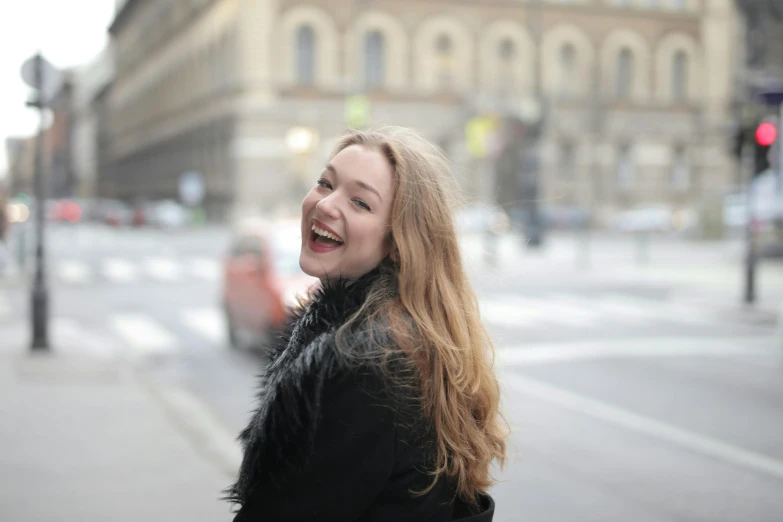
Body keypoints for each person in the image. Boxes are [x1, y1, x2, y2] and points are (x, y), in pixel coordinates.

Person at [225, 127, 507, 521]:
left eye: (360, 202)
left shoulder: (363, 364)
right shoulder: (397, 337)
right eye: (325, 183)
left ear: (397, 241)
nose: (325, 205)